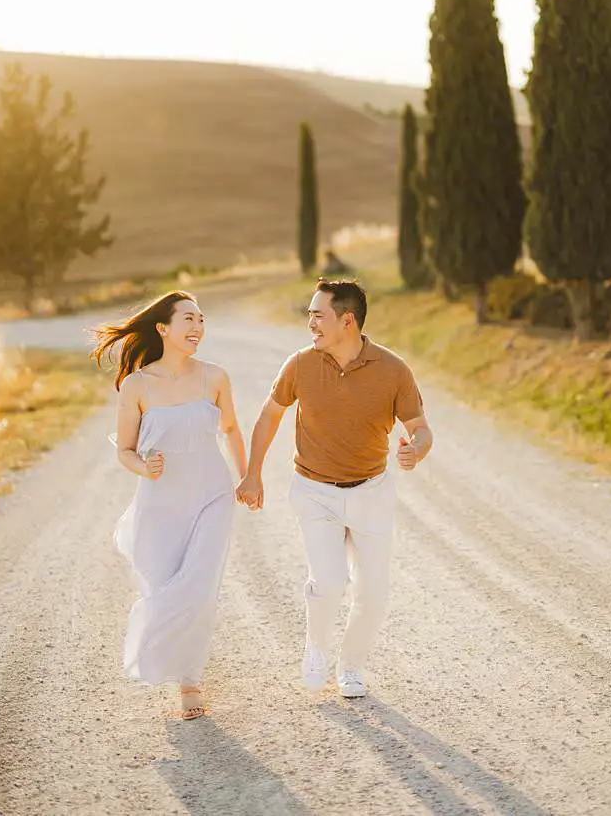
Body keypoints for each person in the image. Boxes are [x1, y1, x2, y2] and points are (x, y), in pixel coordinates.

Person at [236, 278, 433, 698]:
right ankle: (315, 648)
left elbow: (420, 428)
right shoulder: (300, 364)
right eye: (309, 315)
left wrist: (416, 450)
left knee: (373, 592)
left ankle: (351, 665)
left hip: (371, 493)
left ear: (347, 321)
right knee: (328, 582)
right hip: (314, 491)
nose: (310, 323)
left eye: (317, 315)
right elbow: (270, 417)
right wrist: (253, 473)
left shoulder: (393, 370)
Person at [93, 291, 248, 720]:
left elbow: (232, 430)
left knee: (198, 591)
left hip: (212, 496)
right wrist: (145, 467)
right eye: (188, 319)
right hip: (160, 506)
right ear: (162, 328)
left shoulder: (214, 377)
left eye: (201, 319)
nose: (197, 327)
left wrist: (248, 476)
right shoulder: (137, 385)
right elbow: (124, 449)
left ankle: (189, 682)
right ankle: (162, 650)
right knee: (166, 589)